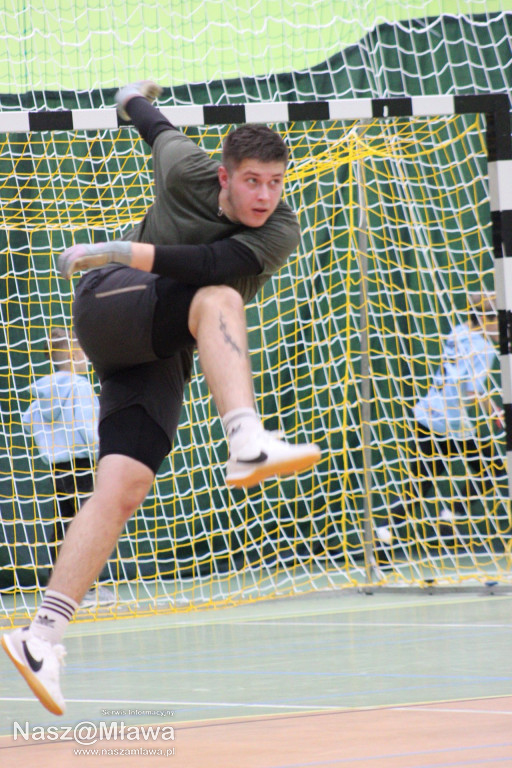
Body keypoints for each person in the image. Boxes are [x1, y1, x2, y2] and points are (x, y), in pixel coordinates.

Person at [1, 81, 321, 715]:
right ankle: (246, 439)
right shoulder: (186, 168)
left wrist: (117, 245)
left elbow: (204, 266)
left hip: (156, 341)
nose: (265, 195)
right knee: (224, 301)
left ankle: (41, 638)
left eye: (276, 182)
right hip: (110, 301)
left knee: (123, 487)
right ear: (224, 178)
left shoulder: (280, 229)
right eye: (252, 181)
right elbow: (150, 123)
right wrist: (132, 98)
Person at [376, 292, 506, 550]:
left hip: (427, 416)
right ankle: (452, 515)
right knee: (493, 468)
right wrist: (496, 414)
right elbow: (473, 390)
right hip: (450, 422)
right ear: (483, 318)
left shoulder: (458, 331)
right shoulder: (483, 348)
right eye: (495, 319)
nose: (499, 326)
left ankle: (386, 529)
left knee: (421, 484)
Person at [21, 329, 115, 606]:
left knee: (64, 522)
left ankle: (58, 585)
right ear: (75, 355)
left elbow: (30, 419)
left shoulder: (45, 392)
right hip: (83, 463)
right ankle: (80, 589)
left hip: (59, 467)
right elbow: (89, 429)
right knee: (86, 523)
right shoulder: (80, 387)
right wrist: (105, 452)